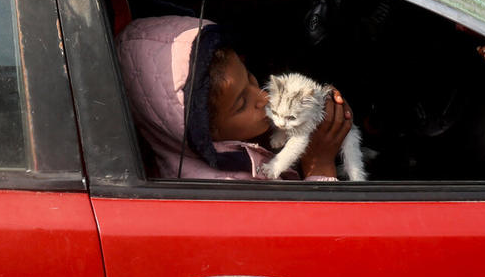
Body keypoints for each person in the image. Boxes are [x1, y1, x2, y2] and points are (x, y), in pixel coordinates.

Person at [117, 15, 352, 180]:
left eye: (250, 78)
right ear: (208, 134)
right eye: (242, 104)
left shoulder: (226, 138)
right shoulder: (230, 185)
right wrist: (319, 164)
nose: (263, 99)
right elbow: (304, 237)